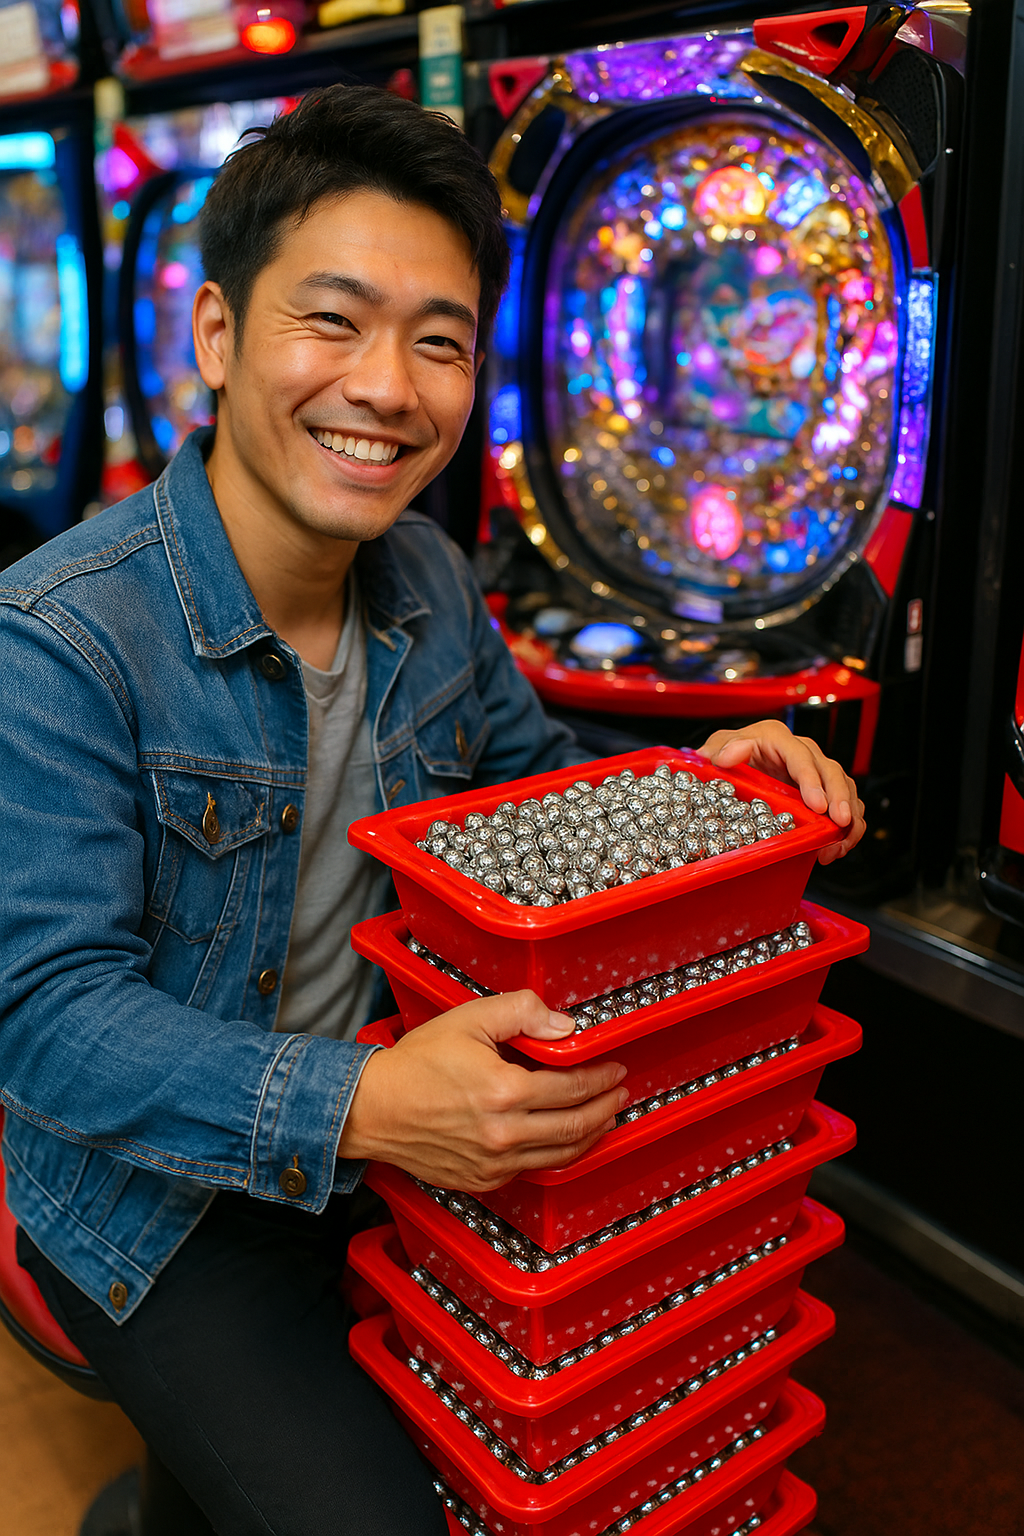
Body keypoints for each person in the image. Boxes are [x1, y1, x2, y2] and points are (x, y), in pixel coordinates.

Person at [0, 86, 865, 1535]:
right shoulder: (57, 636)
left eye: (441, 342)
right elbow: (42, 1020)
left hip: (403, 1124)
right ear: (217, 334)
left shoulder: (429, 581)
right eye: (332, 321)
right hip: (155, 1199)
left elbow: (535, 795)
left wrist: (703, 787)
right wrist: (366, 1104)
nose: (389, 388)